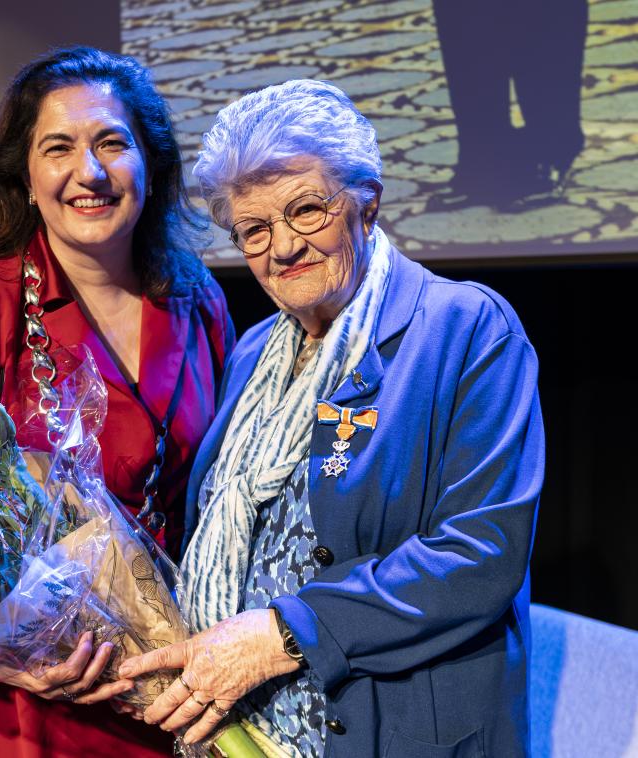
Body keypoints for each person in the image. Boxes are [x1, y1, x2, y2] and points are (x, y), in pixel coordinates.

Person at [118, 80, 544, 758]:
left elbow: (480, 554)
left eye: (307, 210)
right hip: (247, 734)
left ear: (366, 204)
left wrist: (287, 632)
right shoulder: (255, 351)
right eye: (254, 229)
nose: (282, 247)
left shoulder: (465, 328)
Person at [0, 47, 235, 758]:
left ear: (151, 164)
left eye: (112, 143)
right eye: (58, 148)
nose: (89, 173)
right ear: (27, 176)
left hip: (149, 679)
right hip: (4, 697)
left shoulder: (198, 303)